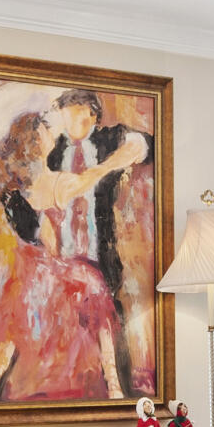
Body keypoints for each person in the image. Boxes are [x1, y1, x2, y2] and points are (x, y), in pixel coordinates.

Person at [0, 110, 124, 407]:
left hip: (26, 271)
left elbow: (34, 235)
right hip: (46, 272)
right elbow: (92, 177)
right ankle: (114, 387)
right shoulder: (54, 182)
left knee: (8, 339)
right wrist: (123, 156)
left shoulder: (13, 186)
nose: (53, 134)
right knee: (95, 288)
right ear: (37, 140)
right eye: (47, 130)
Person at [44, 89, 153, 391]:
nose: (70, 118)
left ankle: (120, 394)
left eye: (77, 110)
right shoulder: (53, 154)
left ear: (92, 114)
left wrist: (95, 173)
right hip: (61, 261)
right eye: (65, 112)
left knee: (110, 329)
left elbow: (145, 145)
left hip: (99, 258)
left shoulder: (110, 139)